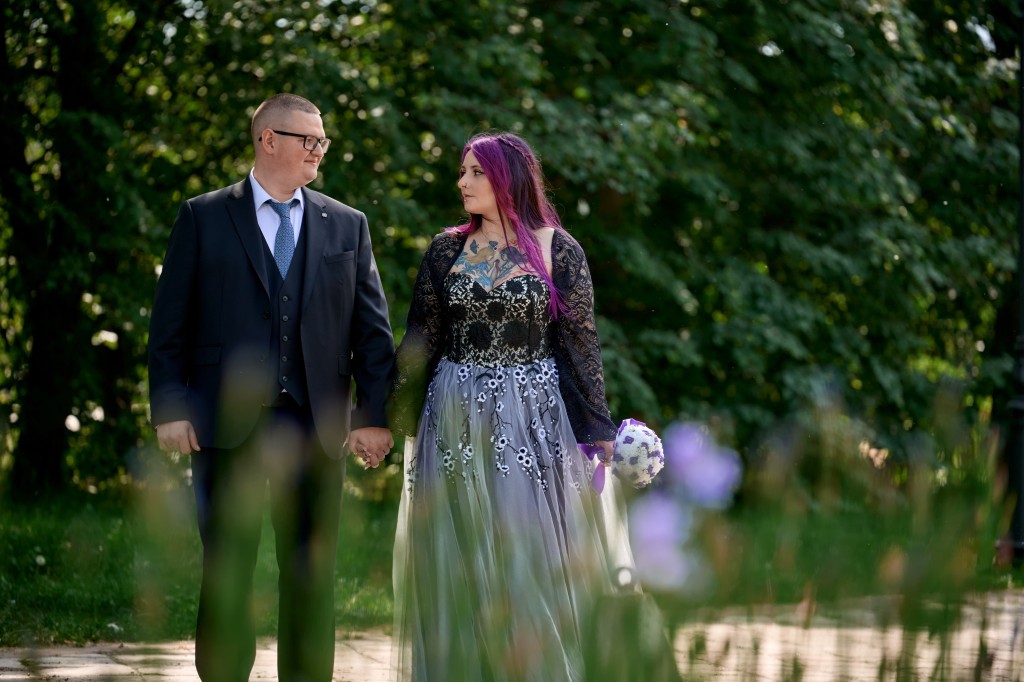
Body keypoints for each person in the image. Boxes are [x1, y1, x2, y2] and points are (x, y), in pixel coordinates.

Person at [148, 93, 395, 682]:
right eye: (308, 139)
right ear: (268, 140)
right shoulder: (204, 216)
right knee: (227, 563)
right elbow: (170, 321)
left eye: (322, 140)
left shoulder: (348, 224)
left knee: (311, 567)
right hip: (222, 420)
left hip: (316, 421)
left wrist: (372, 415)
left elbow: (372, 332)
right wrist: (170, 406)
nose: (319, 150)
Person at [389, 132, 632, 681]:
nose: (463, 182)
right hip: (453, 415)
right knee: (458, 548)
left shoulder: (558, 249)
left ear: (508, 179)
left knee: (527, 549)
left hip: (532, 417)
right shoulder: (446, 250)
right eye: (462, 171)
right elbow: (421, 338)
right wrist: (388, 419)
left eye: (476, 172)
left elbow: (580, 343)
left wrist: (597, 425)